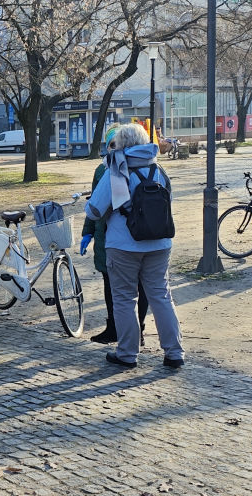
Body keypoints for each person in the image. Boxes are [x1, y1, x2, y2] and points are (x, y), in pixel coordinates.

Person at [84, 123, 184, 369]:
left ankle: (127, 354)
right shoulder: (158, 169)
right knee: (161, 296)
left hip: (124, 245)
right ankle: (174, 353)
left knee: (124, 299)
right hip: (159, 243)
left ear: (121, 144)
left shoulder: (116, 170)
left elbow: (95, 209)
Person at [80, 125, 149, 345]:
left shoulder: (108, 169)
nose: (112, 149)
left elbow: (95, 207)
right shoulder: (154, 167)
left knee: (119, 292)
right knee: (146, 289)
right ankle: (136, 332)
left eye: (114, 144)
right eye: (110, 144)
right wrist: (87, 233)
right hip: (146, 238)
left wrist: (89, 230)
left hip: (115, 240)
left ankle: (123, 335)